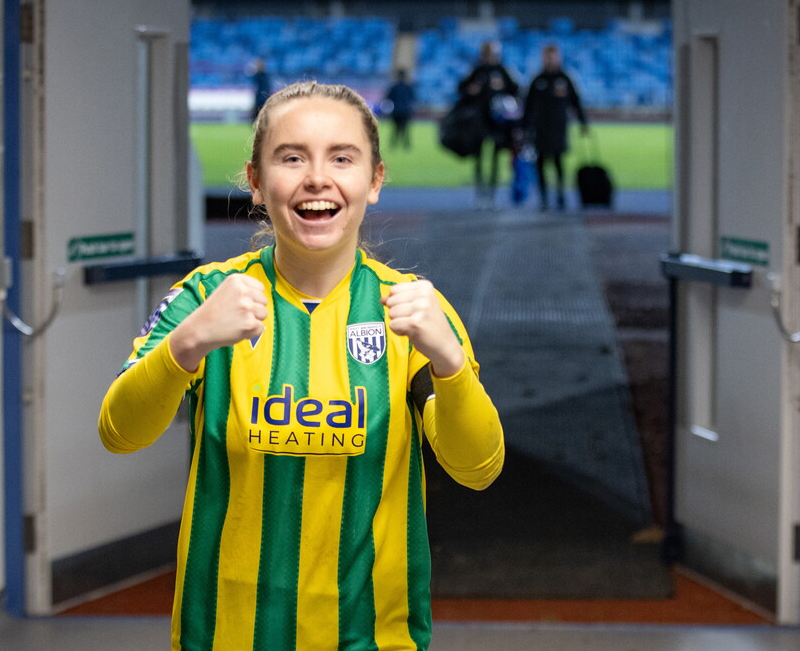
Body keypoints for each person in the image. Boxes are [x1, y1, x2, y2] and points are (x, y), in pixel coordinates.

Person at [99, 82, 504, 651]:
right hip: (224, 635)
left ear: (375, 180)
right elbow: (119, 432)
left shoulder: (412, 311)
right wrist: (185, 346)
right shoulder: (205, 299)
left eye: (342, 157)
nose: (318, 177)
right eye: (292, 158)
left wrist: (450, 365)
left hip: (373, 637)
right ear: (258, 184)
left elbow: (477, 468)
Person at [522, 44, 589, 211]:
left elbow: (576, 102)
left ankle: (560, 195)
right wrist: (524, 128)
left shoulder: (565, 79)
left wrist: (583, 123)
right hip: (540, 129)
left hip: (559, 127)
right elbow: (528, 106)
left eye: (554, 56)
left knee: (559, 162)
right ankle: (544, 197)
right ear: (544, 58)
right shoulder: (537, 80)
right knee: (541, 163)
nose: (551, 59)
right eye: (548, 56)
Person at [456, 40, 520, 208]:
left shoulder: (502, 70)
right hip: (479, 122)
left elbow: (516, 89)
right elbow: (462, 89)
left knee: (495, 158)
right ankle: (480, 192)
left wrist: (503, 87)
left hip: (497, 122)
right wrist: (472, 89)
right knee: (479, 158)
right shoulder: (477, 70)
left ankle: (492, 194)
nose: (493, 56)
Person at [383, 68, 416, 150]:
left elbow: (388, 98)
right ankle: (406, 146)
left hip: (396, 111)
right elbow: (413, 98)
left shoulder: (394, 87)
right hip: (405, 111)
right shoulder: (408, 87)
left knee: (395, 129)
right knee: (405, 130)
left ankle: (394, 145)